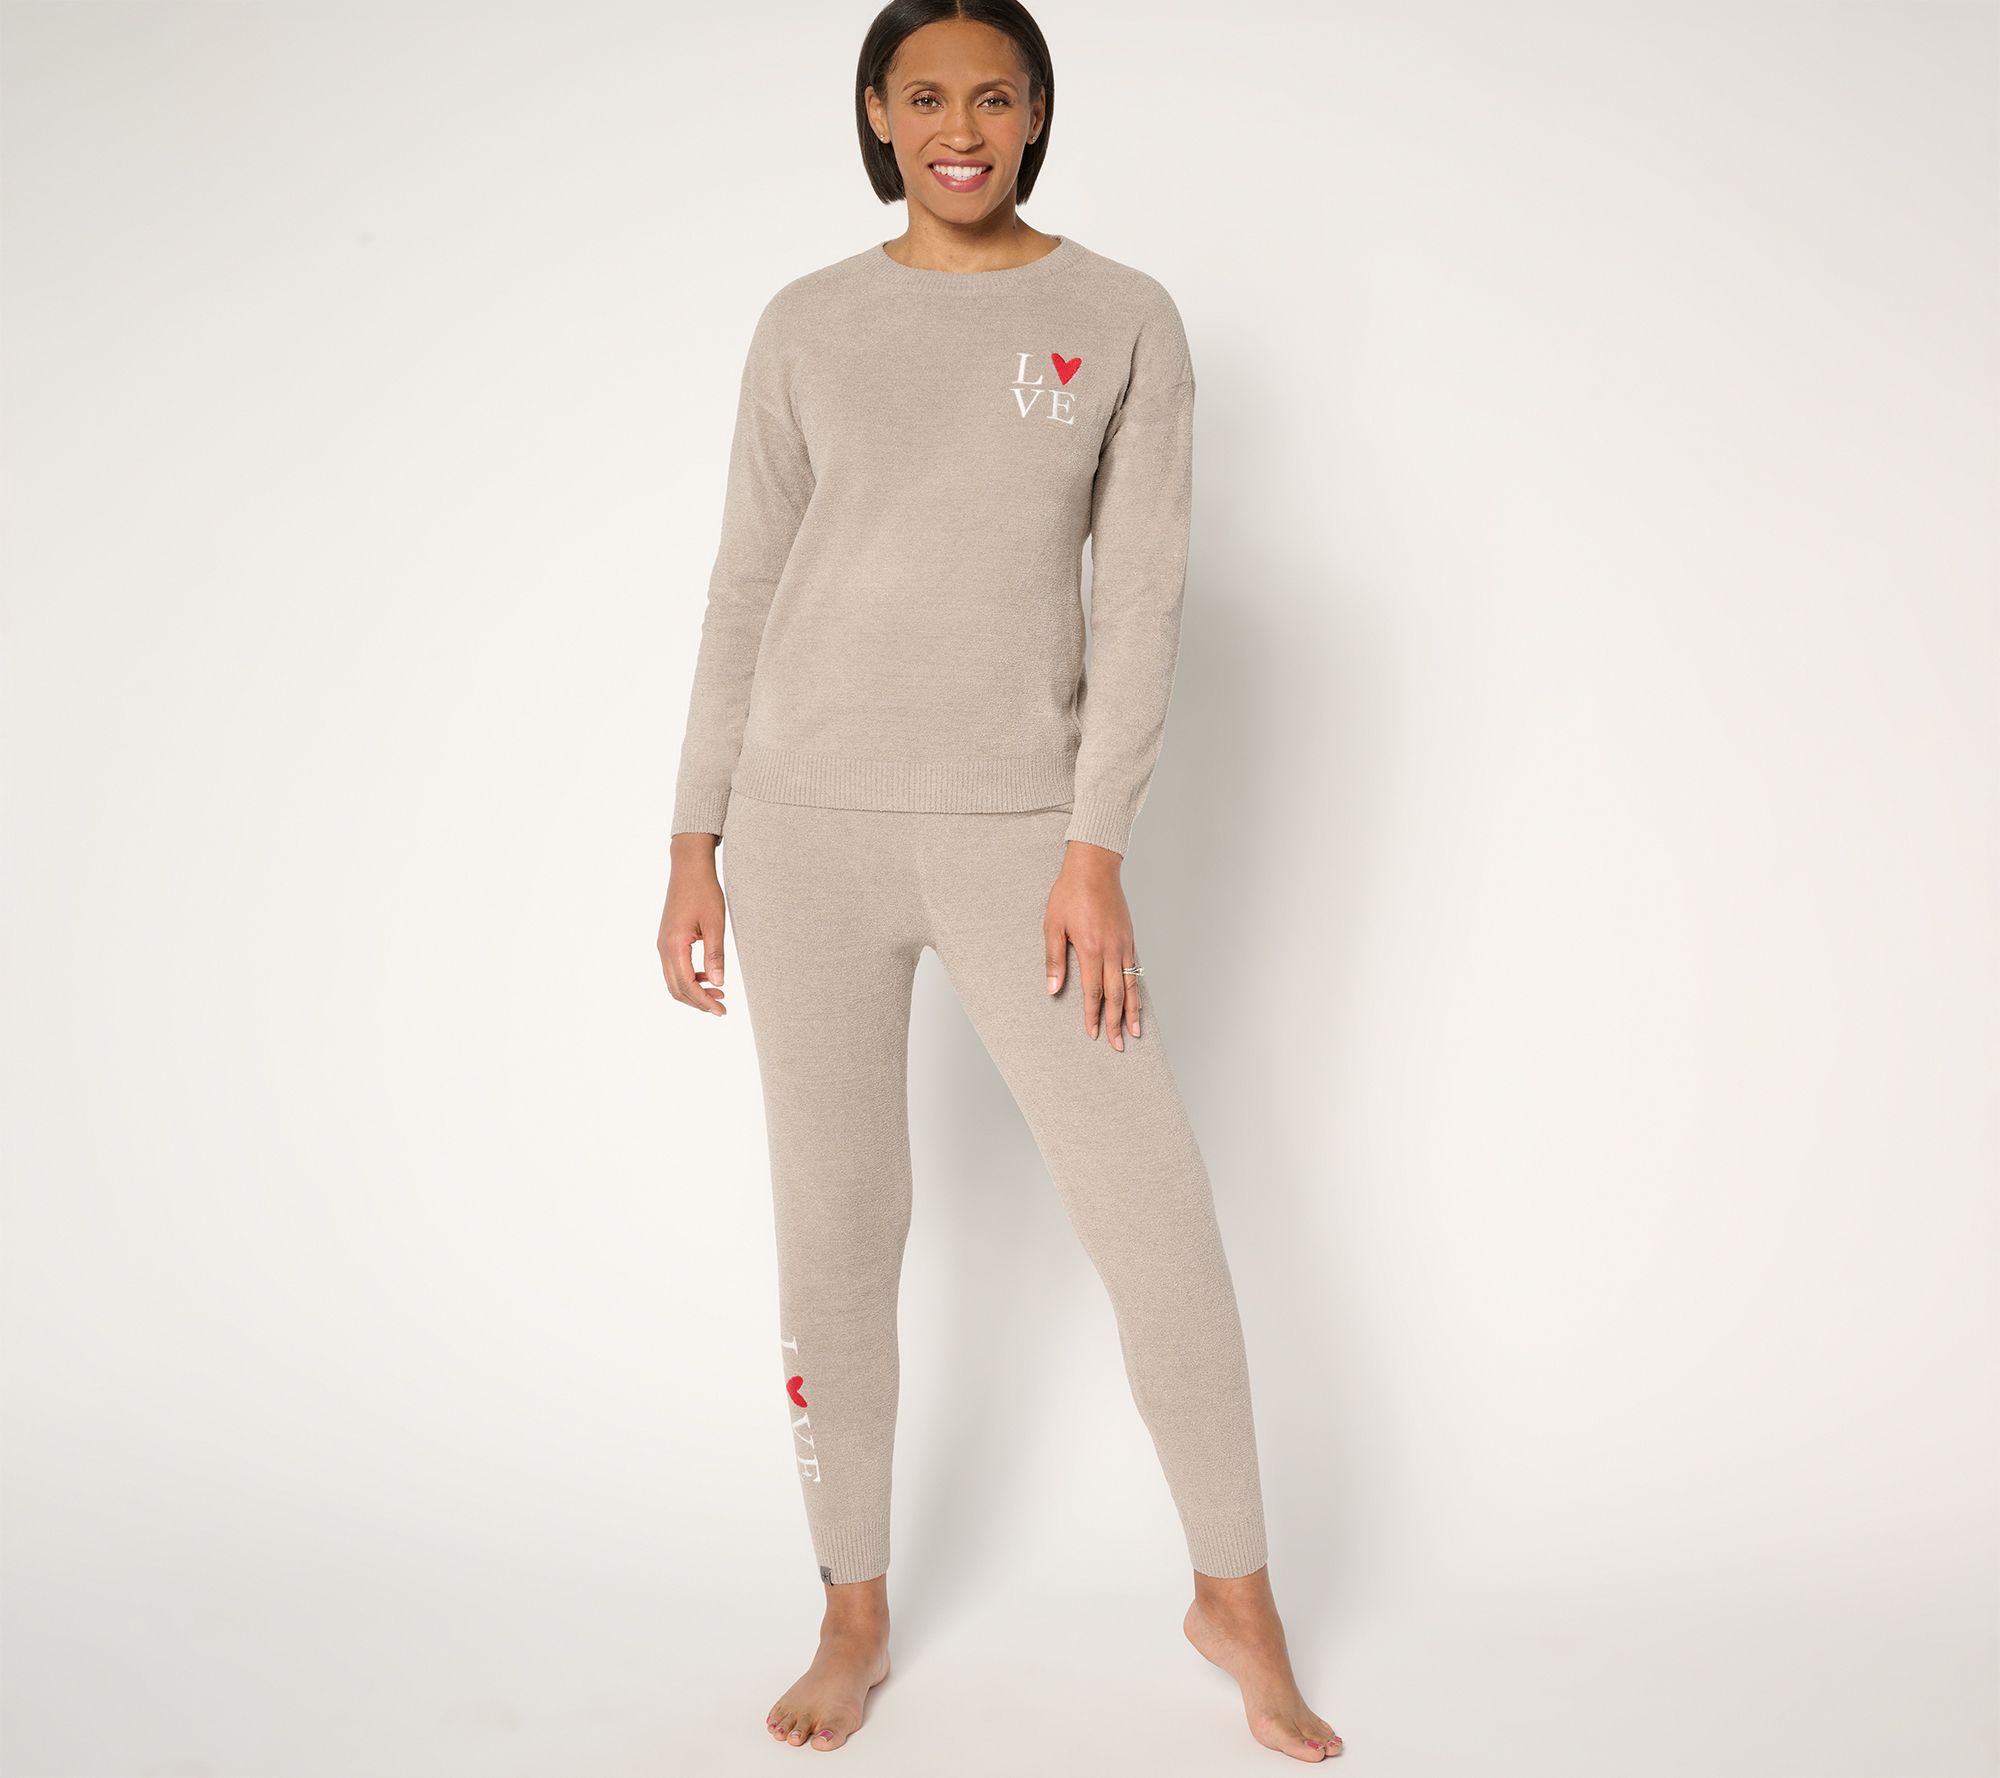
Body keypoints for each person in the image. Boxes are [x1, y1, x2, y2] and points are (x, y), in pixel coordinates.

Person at [656, 0, 1343, 1760]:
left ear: (1036, 115)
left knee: (1151, 1212)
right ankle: (852, 1604)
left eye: (993, 95)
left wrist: (1093, 845)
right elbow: (746, 583)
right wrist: (692, 834)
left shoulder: (1121, 318)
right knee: (837, 1232)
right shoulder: (806, 323)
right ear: (877, 114)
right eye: (925, 95)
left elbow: (1145, 598)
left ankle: (1237, 1596)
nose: (958, 126)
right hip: (801, 833)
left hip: (1022, 838)